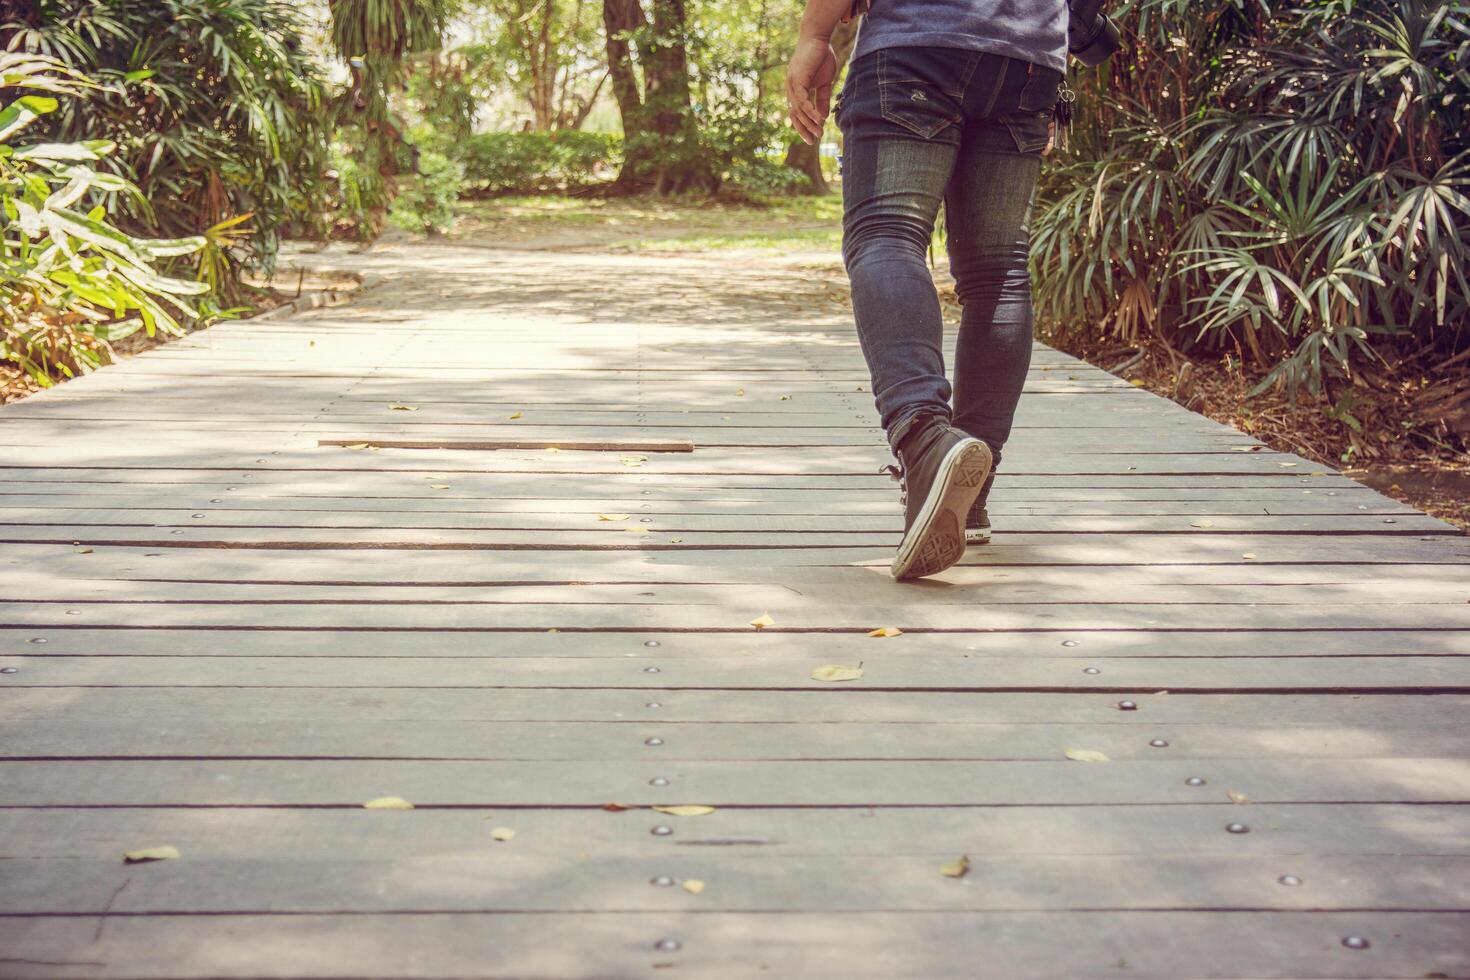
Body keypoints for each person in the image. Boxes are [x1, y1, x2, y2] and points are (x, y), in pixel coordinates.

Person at [786, 0, 1067, 580]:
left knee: (886, 235)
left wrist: (816, 32)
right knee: (999, 271)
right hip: (1028, 59)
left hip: (917, 43)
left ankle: (924, 440)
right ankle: (971, 492)